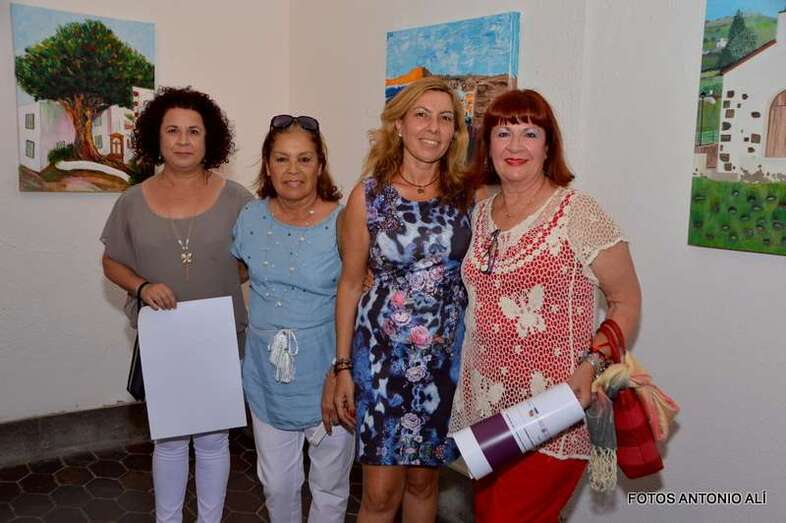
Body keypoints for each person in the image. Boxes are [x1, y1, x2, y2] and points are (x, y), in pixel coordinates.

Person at [448, 89, 642, 522]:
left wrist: (592, 365)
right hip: (484, 409)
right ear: (487, 145)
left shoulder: (578, 213)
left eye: (530, 134)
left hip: (552, 411)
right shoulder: (480, 213)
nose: (515, 146)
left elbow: (626, 301)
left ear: (548, 146)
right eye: (503, 133)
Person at [101, 87, 253, 522]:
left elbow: (255, 261)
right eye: (173, 131)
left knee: (213, 439)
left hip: (220, 338)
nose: (183, 140)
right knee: (168, 440)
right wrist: (142, 286)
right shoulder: (132, 201)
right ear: (156, 136)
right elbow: (111, 261)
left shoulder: (239, 200)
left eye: (193, 131)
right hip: (162, 339)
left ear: (210, 139)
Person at [334, 77, 473, 522]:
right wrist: (341, 367)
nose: (433, 127)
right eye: (422, 115)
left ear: (455, 132)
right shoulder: (369, 197)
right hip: (381, 362)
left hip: (442, 363)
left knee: (423, 483)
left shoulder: (468, 197)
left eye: (445, 118)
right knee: (379, 496)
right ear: (399, 125)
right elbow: (350, 284)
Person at [231, 115, 354, 523]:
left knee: (330, 487)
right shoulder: (250, 218)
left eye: (304, 159)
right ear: (268, 165)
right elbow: (235, 272)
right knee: (277, 484)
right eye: (282, 159)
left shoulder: (344, 222)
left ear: (320, 165)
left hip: (328, 375)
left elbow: (360, 290)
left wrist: (344, 368)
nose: (293, 170)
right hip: (267, 379)